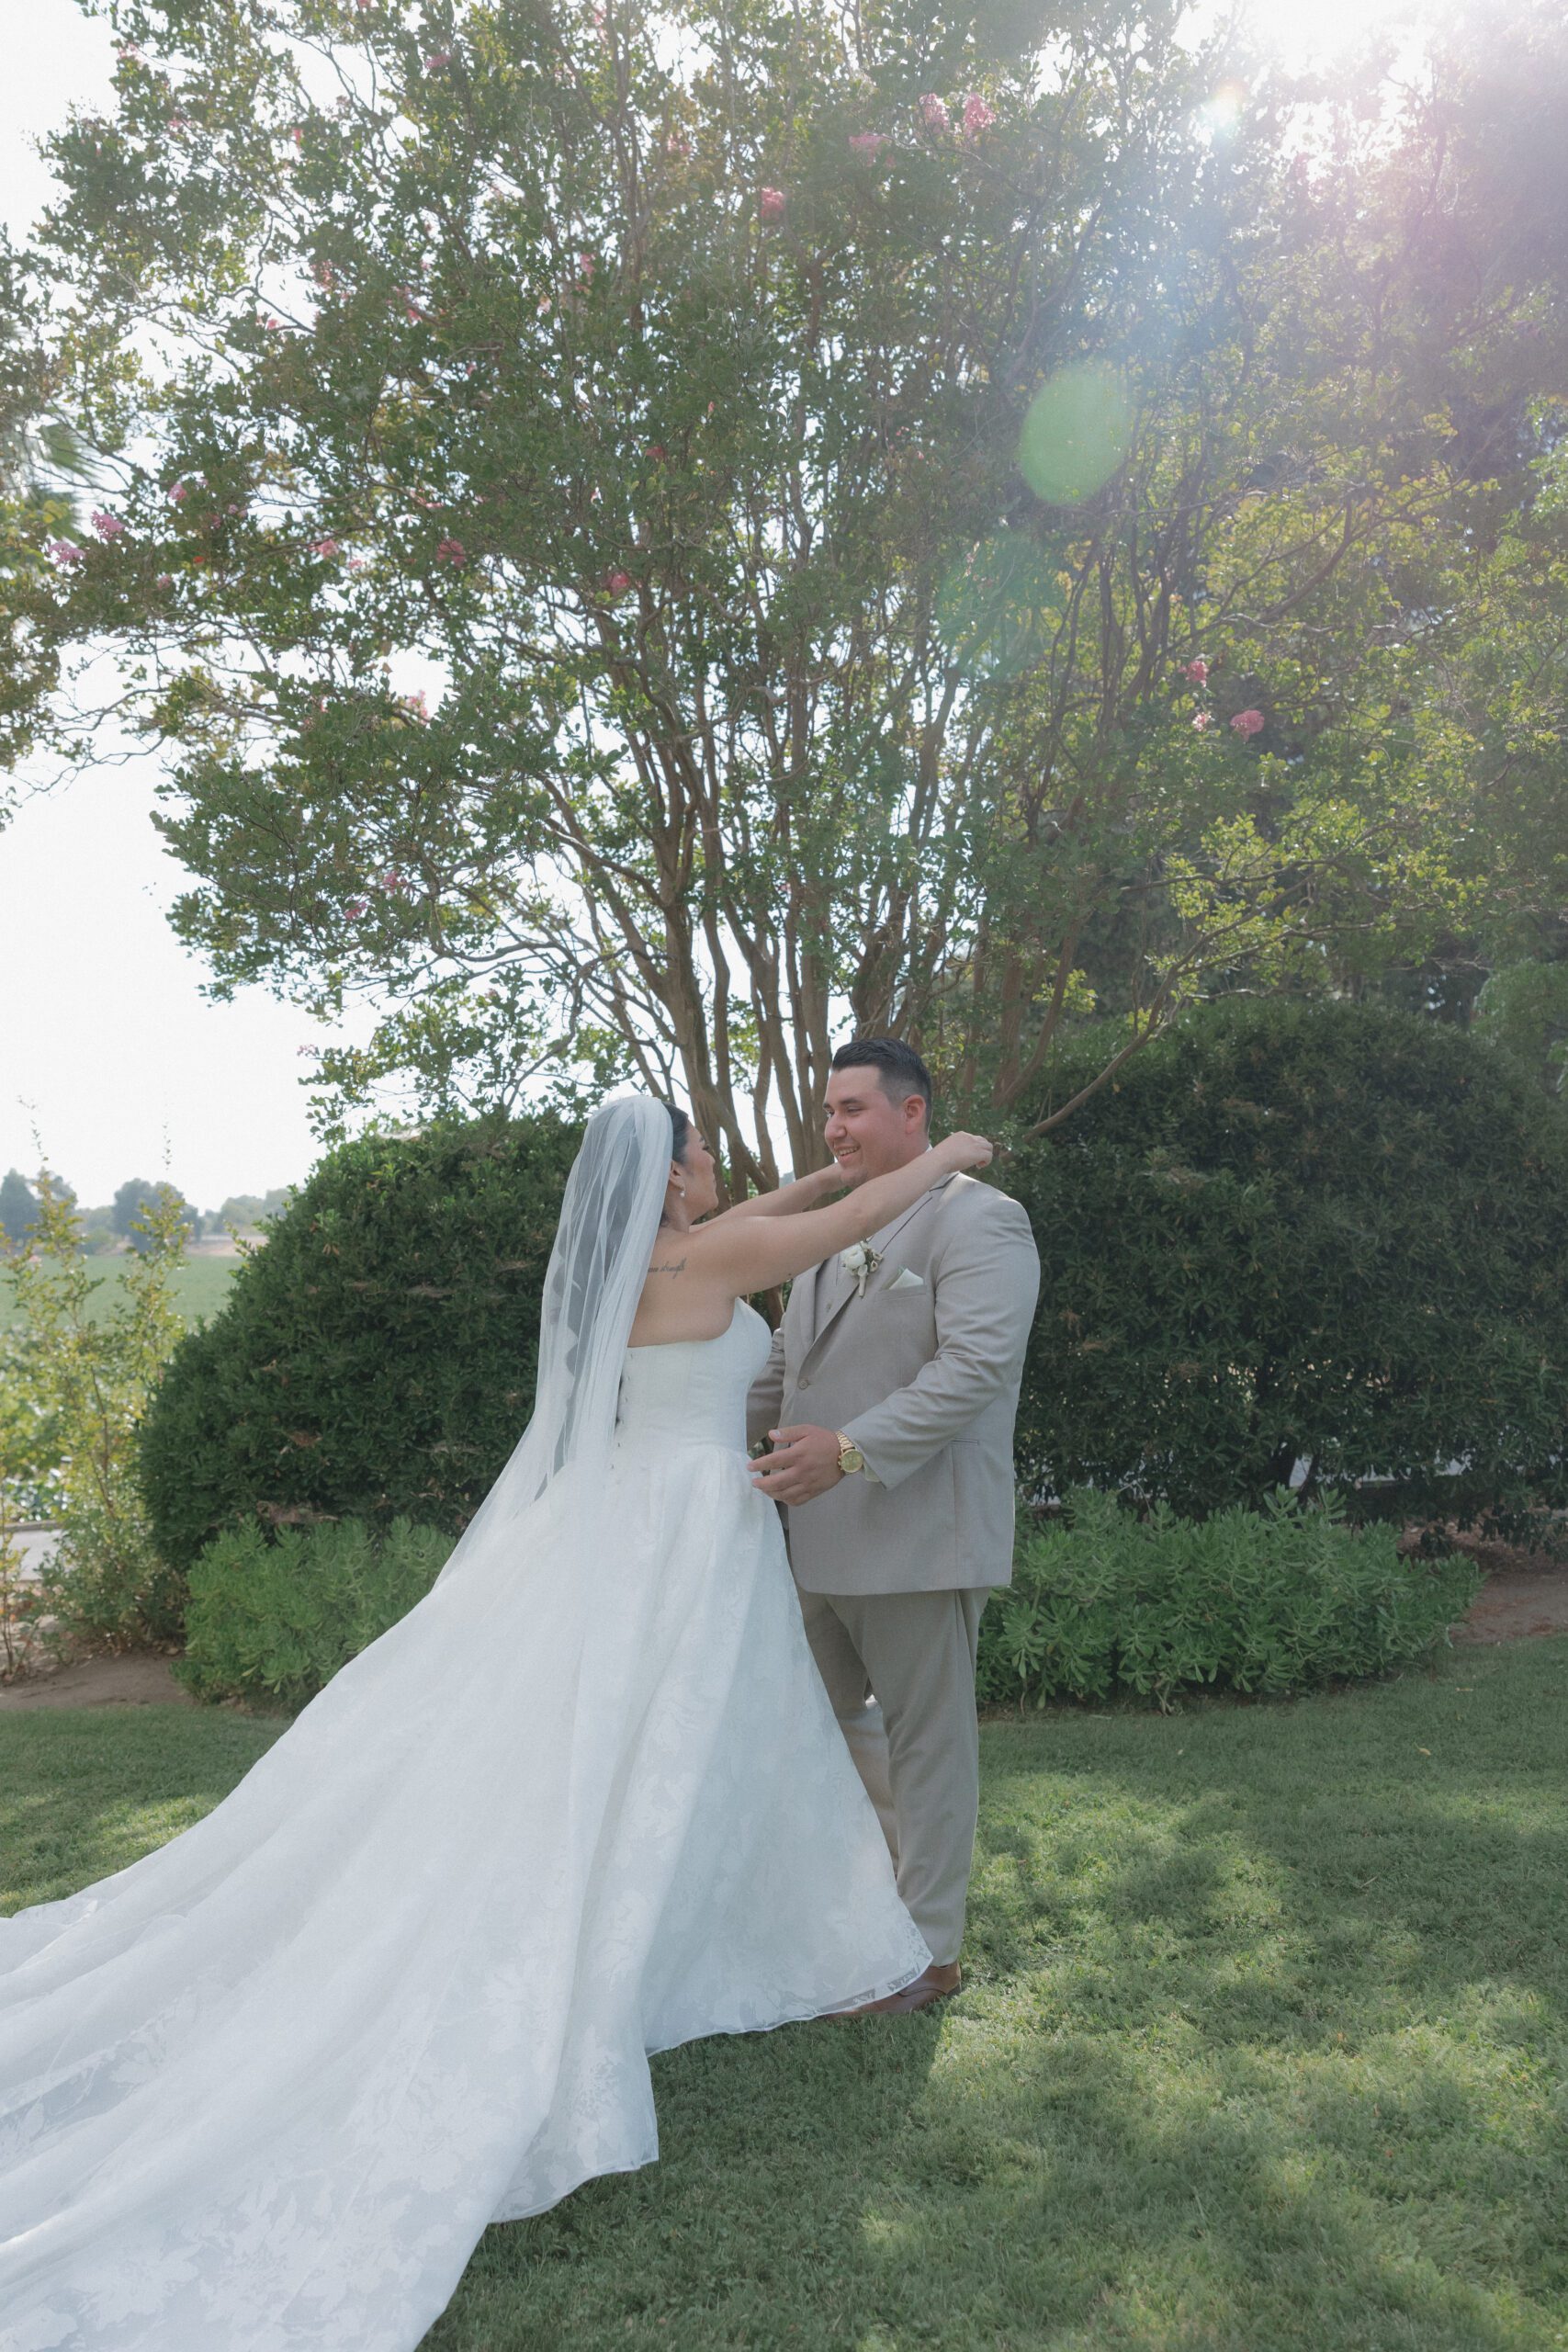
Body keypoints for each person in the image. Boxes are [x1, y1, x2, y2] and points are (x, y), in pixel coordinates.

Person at [0, 1093, 992, 2352]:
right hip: (683, 1534)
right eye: (698, 1146)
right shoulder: (711, 1257)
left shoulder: (651, 1258)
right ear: (672, 1167)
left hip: (636, 1515)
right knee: (654, 1742)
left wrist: (796, 1179)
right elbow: (848, 1214)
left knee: (631, 1742)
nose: (711, 1163)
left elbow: (778, 1208)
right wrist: (947, 1157)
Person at [747, 1038, 1042, 2013]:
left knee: (928, 1748)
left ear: (914, 1115)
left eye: (854, 1108)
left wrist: (850, 1451)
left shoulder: (983, 1222)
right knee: (804, 1734)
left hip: (920, 1531)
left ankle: (931, 1957)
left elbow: (974, 1370)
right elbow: (786, 1374)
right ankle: (854, 1914)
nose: (834, 1127)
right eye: (827, 1110)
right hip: (816, 1545)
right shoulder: (836, 1232)